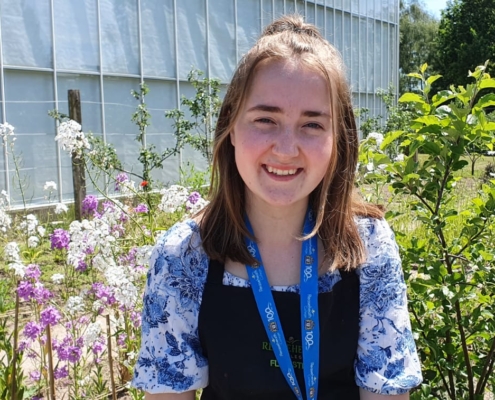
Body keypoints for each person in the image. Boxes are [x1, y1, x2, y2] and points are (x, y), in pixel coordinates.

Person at [131, 14, 423, 400]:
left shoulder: (370, 246)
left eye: (312, 125)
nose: (286, 149)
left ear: (339, 138)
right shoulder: (182, 256)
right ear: (231, 128)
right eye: (265, 119)